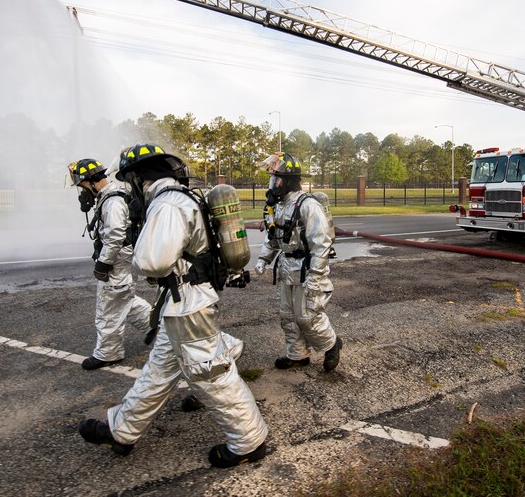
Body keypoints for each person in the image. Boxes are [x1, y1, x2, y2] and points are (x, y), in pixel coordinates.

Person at [78, 144, 268, 467]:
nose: (131, 189)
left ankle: (250, 440)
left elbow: (153, 261)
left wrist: (138, 248)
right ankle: (122, 430)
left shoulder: (167, 205)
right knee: (157, 372)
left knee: (212, 375)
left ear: (142, 178)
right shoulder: (182, 197)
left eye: (132, 181)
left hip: (188, 307)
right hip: (180, 303)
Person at [254, 153, 342, 372]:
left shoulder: (308, 206)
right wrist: (264, 258)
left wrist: (316, 276)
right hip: (286, 268)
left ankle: (332, 344)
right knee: (288, 316)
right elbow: (273, 237)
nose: (273, 185)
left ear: (290, 181)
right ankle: (297, 354)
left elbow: (321, 243)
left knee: (307, 316)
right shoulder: (278, 206)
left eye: (278, 180)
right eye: (272, 180)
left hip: (306, 268)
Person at [69, 158, 153, 370]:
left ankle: (108, 353)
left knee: (107, 307)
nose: (82, 192)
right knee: (126, 301)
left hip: (117, 262)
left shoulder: (113, 201)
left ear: (91, 182)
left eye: (82, 187)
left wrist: (103, 263)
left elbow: (115, 235)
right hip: (121, 259)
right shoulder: (108, 197)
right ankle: (162, 330)